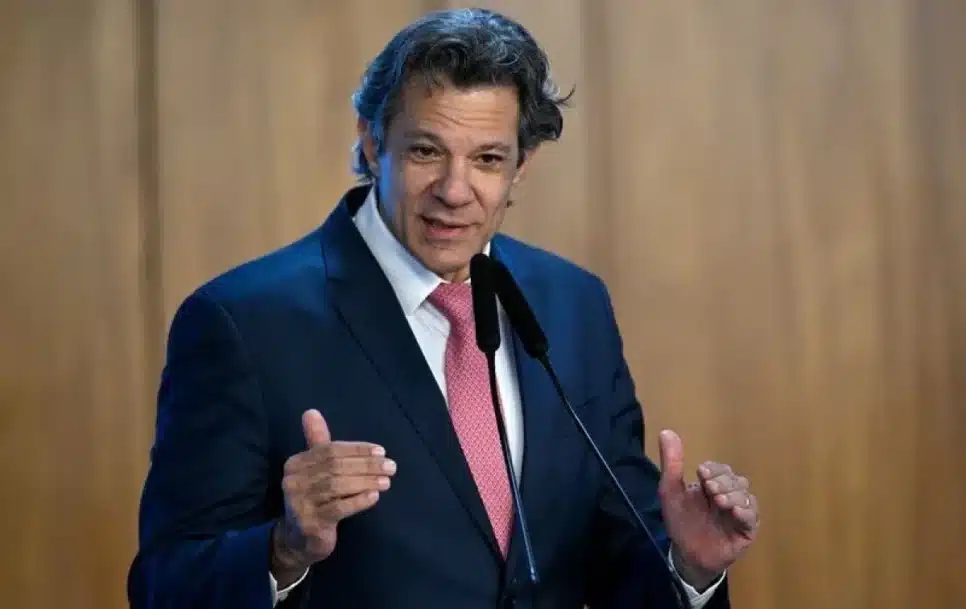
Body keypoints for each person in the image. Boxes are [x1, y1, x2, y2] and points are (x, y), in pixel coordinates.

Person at [127, 8, 759, 609]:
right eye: (426, 151)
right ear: (371, 142)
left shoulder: (574, 304)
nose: (455, 191)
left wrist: (688, 566)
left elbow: (616, 557)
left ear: (520, 167)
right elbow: (165, 585)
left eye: (487, 159)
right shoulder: (243, 323)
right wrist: (283, 549)